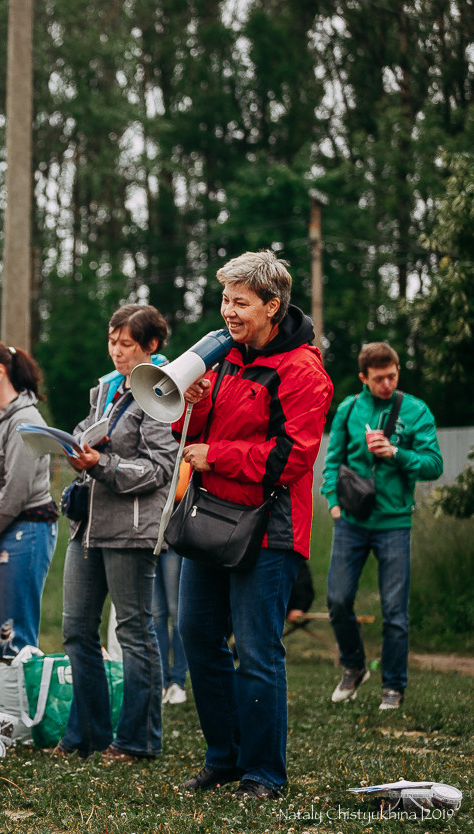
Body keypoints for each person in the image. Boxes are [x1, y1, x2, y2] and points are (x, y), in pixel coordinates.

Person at [174, 250, 332, 800]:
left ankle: (264, 773)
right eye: (225, 300)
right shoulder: (222, 355)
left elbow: (292, 458)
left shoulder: (304, 371)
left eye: (240, 302)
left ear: (272, 306)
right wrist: (190, 405)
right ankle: (225, 759)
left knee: (258, 652)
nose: (228, 312)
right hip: (211, 520)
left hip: (270, 530)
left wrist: (215, 455)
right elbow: (187, 437)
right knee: (198, 637)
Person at [54, 305, 177, 763]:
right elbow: (86, 433)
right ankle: (89, 733)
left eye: (126, 344)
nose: (117, 351)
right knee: (76, 631)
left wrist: (102, 464)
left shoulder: (161, 390)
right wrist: (75, 449)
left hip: (132, 529)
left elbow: (160, 469)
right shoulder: (107, 387)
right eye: (112, 342)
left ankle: (138, 740)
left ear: (151, 346)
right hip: (87, 526)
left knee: (135, 633)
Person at [321, 342, 442, 710]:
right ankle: (354, 666)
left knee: (395, 612)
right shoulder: (349, 409)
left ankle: (393, 687)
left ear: (398, 370)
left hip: (394, 522)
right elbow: (332, 460)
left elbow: (434, 464)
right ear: (364, 378)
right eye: (378, 379)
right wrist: (333, 502)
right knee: (337, 600)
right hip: (351, 521)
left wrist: (396, 453)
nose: (387, 384)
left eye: (392, 376)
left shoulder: (416, 410)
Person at [0, 338, 57, 675]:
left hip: (25, 529)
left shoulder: (27, 419)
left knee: (13, 631)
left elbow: (16, 492)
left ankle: (23, 706)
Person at [153, 550, 189, 705]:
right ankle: (161, 679)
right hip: (147, 543)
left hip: (171, 545)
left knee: (176, 612)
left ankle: (178, 680)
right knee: (155, 615)